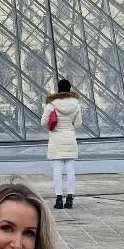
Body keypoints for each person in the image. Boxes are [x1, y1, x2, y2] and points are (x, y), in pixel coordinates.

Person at [42, 79, 82, 210]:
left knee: (57, 170)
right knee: (71, 170)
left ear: (58, 89)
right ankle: (70, 199)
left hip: (56, 139)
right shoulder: (76, 104)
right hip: (70, 139)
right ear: (69, 89)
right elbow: (78, 124)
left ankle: (59, 199)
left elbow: (43, 122)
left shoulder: (51, 104)